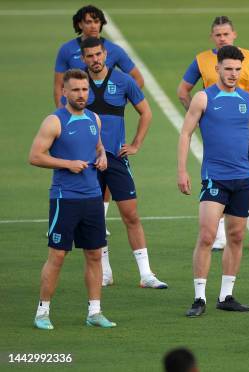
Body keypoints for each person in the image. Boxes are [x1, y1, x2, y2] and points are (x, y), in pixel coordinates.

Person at [177, 45, 249, 317]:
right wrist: (182, 170)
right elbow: (185, 134)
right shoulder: (203, 99)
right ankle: (199, 298)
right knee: (207, 235)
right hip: (214, 178)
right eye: (228, 68)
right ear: (217, 68)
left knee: (236, 236)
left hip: (242, 179)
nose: (232, 74)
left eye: (237, 69)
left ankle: (226, 295)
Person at [30, 68, 115, 329]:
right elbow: (35, 156)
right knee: (57, 256)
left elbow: (97, 146)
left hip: (92, 198)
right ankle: (42, 313)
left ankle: (95, 312)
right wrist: (67, 163)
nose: (81, 94)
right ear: (64, 92)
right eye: (76, 90)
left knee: (94, 255)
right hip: (64, 199)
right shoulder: (54, 121)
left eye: (85, 89)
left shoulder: (94, 118)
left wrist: (102, 157)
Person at [79, 37, 167, 289]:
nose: (95, 60)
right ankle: (105, 273)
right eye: (90, 56)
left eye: (98, 54)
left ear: (105, 54)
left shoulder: (123, 81)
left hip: (117, 160)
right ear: (83, 58)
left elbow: (146, 112)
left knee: (131, 215)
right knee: (96, 218)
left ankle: (146, 274)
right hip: (89, 164)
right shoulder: (78, 84)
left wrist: (136, 143)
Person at [177, 16, 249, 250]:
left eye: (226, 34)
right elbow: (182, 91)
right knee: (217, 175)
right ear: (212, 37)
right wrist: (200, 118)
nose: (222, 38)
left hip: (245, 127)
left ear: (234, 34)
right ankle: (217, 235)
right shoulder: (201, 60)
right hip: (218, 126)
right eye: (218, 34)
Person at [54, 5, 145, 235]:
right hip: (81, 127)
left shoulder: (114, 50)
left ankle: (98, 219)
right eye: (88, 21)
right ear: (79, 24)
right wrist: (64, 119)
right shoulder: (67, 51)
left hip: (111, 142)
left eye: (97, 21)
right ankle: (67, 218)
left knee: (108, 179)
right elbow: (59, 86)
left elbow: (136, 80)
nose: (93, 25)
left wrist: (117, 99)